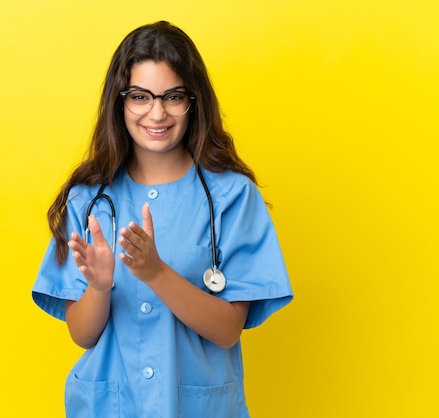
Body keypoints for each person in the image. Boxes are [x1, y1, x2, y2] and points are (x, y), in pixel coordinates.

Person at [32, 20, 293, 417]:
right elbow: (82, 335)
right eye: (140, 96)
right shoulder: (90, 199)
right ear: (120, 102)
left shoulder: (231, 196)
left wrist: (156, 273)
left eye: (173, 96)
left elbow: (227, 331)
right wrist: (100, 287)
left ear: (193, 101)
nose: (157, 113)